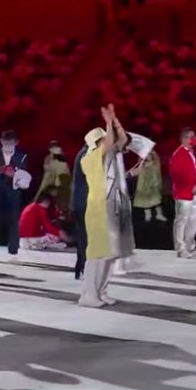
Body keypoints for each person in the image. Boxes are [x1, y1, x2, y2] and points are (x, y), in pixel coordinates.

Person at [79, 105, 137, 308]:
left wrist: (115, 121)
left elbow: (122, 140)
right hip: (99, 210)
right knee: (98, 255)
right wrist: (108, 122)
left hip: (113, 208)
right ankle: (89, 295)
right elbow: (112, 143)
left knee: (111, 255)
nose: (108, 140)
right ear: (97, 143)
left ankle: (101, 292)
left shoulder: (110, 156)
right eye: (104, 138)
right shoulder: (90, 158)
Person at [0, 130, 28, 260]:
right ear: (1, 141)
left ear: (16, 143)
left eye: (11, 143)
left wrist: (14, 174)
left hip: (14, 192)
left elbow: (24, 174)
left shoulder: (21, 156)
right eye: (6, 142)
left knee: (14, 221)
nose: (8, 145)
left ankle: (13, 250)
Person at [169, 127, 196, 258]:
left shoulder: (191, 153)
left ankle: (190, 246)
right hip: (183, 195)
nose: (194, 139)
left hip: (195, 193)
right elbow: (176, 175)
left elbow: (195, 171)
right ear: (184, 139)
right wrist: (189, 187)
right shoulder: (178, 155)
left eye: (194, 137)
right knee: (182, 221)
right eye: (191, 137)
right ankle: (181, 248)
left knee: (194, 220)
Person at [70, 135, 93, 280]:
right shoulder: (86, 155)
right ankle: (84, 267)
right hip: (83, 203)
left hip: (82, 202)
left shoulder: (85, 153)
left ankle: (81, 267)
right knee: (85, 237)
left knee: (84, 237)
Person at [36, 141, 73, 213]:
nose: (56, 149)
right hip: (52, 185)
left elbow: (67, 171)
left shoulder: (63, 157)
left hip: (63, 185)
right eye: (53, 148)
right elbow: (47, 174)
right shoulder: (48, 159)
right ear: (50, 149)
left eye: (57, 147)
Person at [130, 151, 165, 222]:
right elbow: (137, 169)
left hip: (153, 182)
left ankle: (159, 214)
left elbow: (157, 160)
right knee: (145, 200)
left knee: (156, 199)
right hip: (144, 183)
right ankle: (148, 215)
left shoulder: (154, 161)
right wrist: (141, 161)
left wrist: (153, 155)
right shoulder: (142, 162)